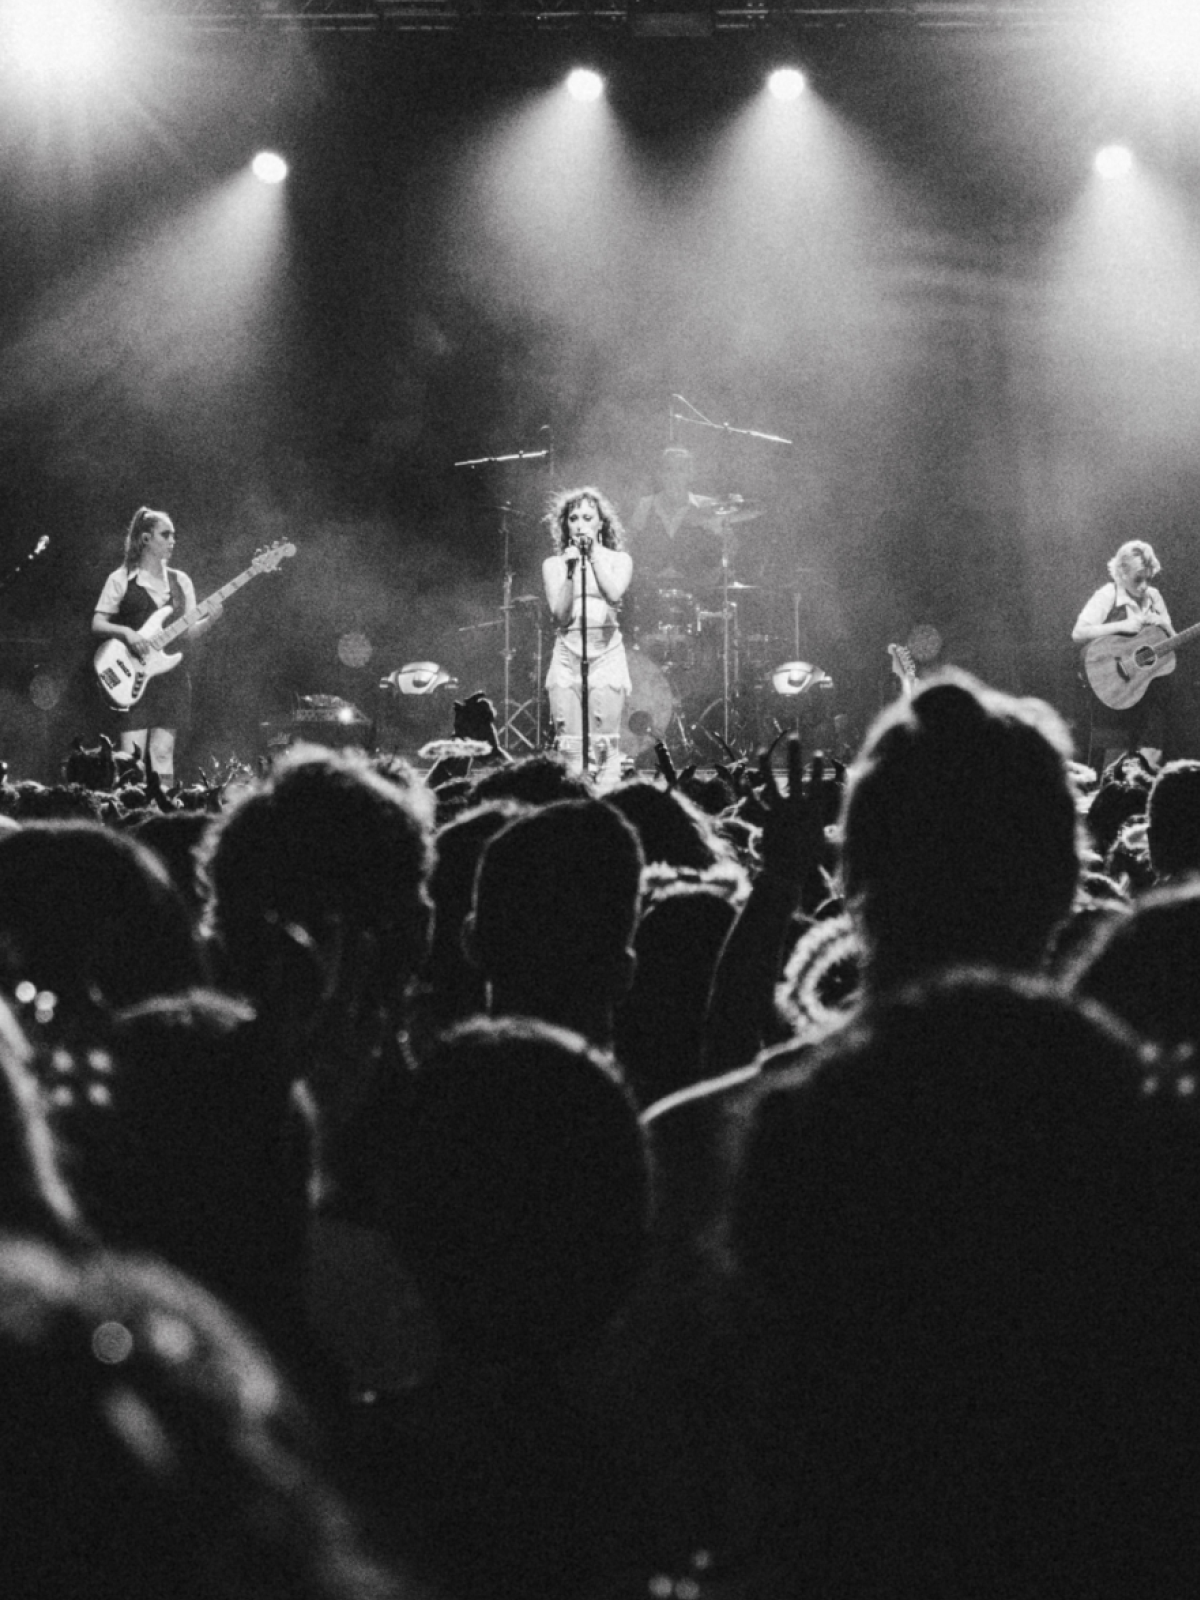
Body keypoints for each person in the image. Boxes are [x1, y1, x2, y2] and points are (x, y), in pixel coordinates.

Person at [92, 507, 222, 787]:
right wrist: (127, 633)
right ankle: (130, 805)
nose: (173, 540)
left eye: (173, 535)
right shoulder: (121, 578)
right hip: (131, 676)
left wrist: (210, 621)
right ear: (146, 539)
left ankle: (164, 807)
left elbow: (187, 634)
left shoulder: (180, 581)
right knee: (132, 756)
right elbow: (98, 624)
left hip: (171, 677)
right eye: (166, 534)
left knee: (163, 753)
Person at [542, 487, 632, 789]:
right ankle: (574, 803)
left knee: (603, 743)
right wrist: (570, 572)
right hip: (567, 654)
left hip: (606, 653)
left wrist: (592, 557)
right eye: (573, 518)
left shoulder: (619, 560)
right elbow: (560, 615)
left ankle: (605, 802)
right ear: (565, 525)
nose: (580, 524)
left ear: (600, 523)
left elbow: (613, 594)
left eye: (587, 517)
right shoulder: (554, 565)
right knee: (569, 745)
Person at [1072, 539, 1174, 764]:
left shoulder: (1154, 596)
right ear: (1122, 573)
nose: (1144, 586)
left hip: (1147, 689)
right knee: (1113, 757)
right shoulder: (1108, 594)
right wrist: (1121, 626)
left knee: (1151, 755)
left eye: (1148, 578)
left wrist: (1164, 625)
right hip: (1115, 687)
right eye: (1138, 579)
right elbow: (1079, 633)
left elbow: (1172, 643)